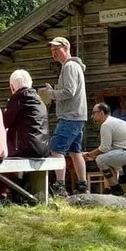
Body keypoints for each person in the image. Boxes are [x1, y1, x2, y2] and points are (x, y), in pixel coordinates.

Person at [44, 37, 88, 198]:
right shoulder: (73, 66)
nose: (54, 53)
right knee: (75, 152)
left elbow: (69, 92)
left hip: (70, 116)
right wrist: (55, 90)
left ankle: (60, 187)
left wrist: (51, 94)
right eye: (52, 51)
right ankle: (83, 185)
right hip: (77, 116)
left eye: (57, 49)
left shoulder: (69, 66)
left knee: (55, 149)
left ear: (67, 47)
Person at [83, 102, 126, 194]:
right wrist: (93, 155)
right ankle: (109, 189)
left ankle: (116, 189)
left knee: (101, 160)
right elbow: (109, 151)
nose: (92, 116)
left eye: (94, 113)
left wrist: (88, 155)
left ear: (101, 113)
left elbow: (104, 148)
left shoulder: (106, 124)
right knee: (107, 160)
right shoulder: (112, 122)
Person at [4, 70, 49, 158]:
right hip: (43, 149)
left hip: (26, 149)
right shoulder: (39, 100)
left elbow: (4, 122)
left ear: (12, 86)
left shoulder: (18, 99)